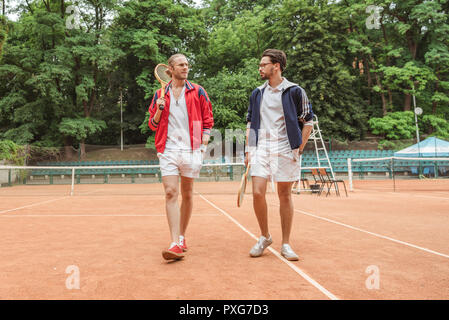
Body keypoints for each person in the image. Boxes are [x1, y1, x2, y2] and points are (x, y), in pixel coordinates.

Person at [245, 49, 313, 261]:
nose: (260, 68)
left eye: (263, 64)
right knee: (257, 192)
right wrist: (249, 149)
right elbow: (250, 123)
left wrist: (298, 147)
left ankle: (286, 244)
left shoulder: (294, 91)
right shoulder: (257, 93)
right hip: (261, 148)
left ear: (276, 66)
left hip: (285, 148)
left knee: (284, 195)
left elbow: (308, 121)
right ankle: (265, 236)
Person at [148, 53, 214, 261]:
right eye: (181, 65)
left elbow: (208, 118)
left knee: (187, 193)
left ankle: (182, 236)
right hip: (167, 149)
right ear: (171, 69)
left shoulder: (198, 91)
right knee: (170, 192)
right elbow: (152, 124)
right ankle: (175, 242)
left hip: (192, 148)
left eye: (187, 64)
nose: (185, 68)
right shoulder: (161, 94)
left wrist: (204, 139)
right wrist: (159, 109)